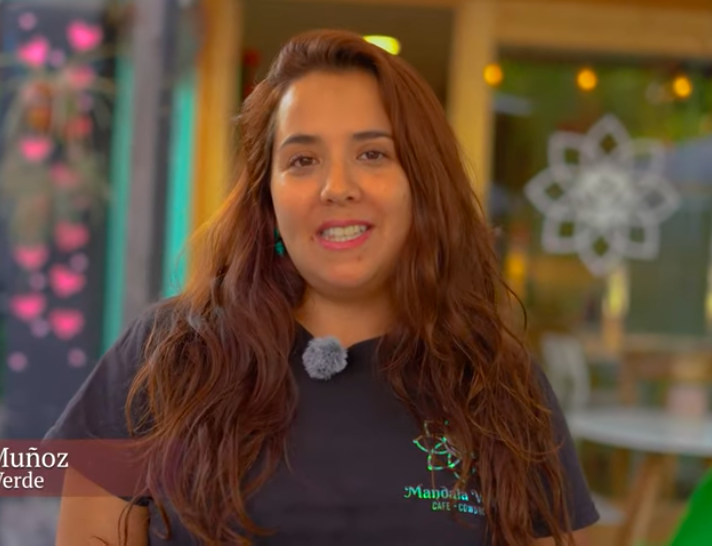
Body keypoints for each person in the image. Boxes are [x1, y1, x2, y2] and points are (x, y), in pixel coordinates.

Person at [47, 29, 599, 546]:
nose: (337, 187)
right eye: (303, 160)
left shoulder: (499, 383)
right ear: (268, 198)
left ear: (422, 185)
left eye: (372, 154)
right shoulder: (166, 354)